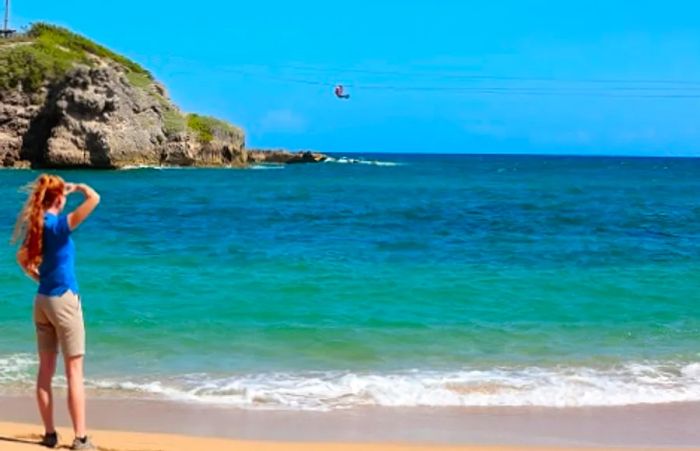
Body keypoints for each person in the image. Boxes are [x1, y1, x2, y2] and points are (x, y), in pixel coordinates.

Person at [11, 174, 100, 450]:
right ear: (58, 198)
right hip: (63, 300)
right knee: (74, 370)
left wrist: (38, 278)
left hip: (43, 301)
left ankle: (49, 434)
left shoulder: (39, 224)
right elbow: (94, 199)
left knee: (45, 371)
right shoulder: (58, 227)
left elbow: (21, 259)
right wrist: (80, 187)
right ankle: (81, 438)